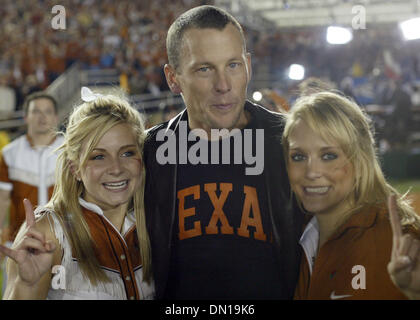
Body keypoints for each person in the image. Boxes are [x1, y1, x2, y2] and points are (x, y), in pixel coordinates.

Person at [144, 5, 303, 299]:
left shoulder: (292, 142)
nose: (224, 85)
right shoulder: (150, 153)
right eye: (204, 69)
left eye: (233, 65)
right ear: (172, 77)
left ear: (249, 66)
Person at [0, 89, 154, 299]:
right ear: (75, 168)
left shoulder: (156, 221)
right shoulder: (47, 233)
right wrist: (27, 286)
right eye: (98, 157)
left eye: (127, 153)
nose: (116, 168)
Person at [282, 91, 420, 299]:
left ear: (360, 159)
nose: (311, 172)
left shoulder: (399, 243)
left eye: (329, 156)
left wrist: (413, 293)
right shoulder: (299, 237)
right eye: (298, 156)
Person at [0, 91, 63, 243]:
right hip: (21, 241)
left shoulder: (72, 152)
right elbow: (2, 199)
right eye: (36, 111)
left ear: (56, 117)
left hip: (65, 241)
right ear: (26, 117)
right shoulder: (9, 153)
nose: (42, 117)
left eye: (48, 111)